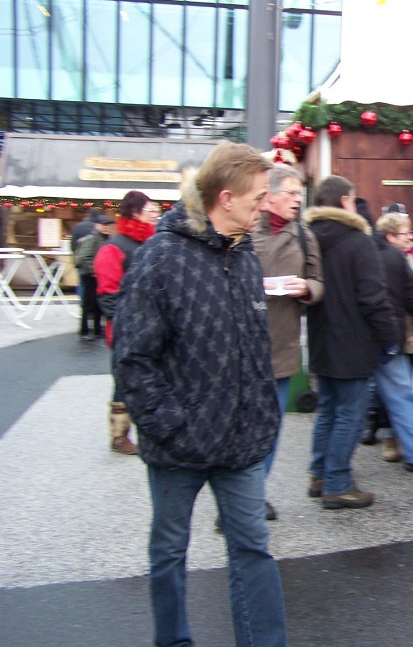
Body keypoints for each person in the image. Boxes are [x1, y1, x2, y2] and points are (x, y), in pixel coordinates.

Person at [112, 141, 287, 647]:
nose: (265, 205)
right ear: (226, 198)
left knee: (252, 548)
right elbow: (132, 357)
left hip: (242, 444)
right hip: (178, 448)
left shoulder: (246, 255)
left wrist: (261, 417)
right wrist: (171, 425)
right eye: (257, 198)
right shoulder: (159, 259)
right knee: (169, 551)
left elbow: (252, 347)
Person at [304, 175, 398, 509]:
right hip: (353, 343)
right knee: (349, 415)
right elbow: (373, 297)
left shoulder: (308, 237)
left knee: (328, 410)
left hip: (319, 340)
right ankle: (338, 483)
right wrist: (390, 338)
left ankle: (319, 474)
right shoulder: (359, 242)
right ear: (345, 201)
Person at [252, 163, 324, 520]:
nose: (297, 200)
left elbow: (317, 280)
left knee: (270, 429)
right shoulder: (246, 230)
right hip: (244, 346)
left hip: (281, 345)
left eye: (300, 193)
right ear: (269, 196)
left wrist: (307, 288)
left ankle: (253, 495)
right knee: (243, 428)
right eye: (291, 193)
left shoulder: (304, 235)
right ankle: (238, 499)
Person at [95, 190, 159, 454]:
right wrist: (128, 324)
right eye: (151, 212)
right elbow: (108, 296)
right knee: (124, 381)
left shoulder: (155, 243)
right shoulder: (114, 247)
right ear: (135, 213)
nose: (156, 216)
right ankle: (119, 435)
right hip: (126, 330)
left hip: (154, 326)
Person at [372, 211, 413, 473]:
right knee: (401, 395)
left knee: (349, 403)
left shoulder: (366, 254)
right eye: (405, 233)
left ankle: (326, 468)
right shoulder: (398, 258)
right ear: (390, 236)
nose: (411, 237)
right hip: (390, 336)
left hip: (361, 336)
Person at [72, 213, 114, 341]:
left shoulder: (104, 238)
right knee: (88, 304)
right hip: (90, 276)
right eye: (104, 225)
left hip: (96, 275)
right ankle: (84, 330)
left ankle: (96, 330)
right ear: (97, 225)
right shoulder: (93, 239)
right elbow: (85, 257)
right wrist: (95, 271)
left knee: (96, 304)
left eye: (108, 225)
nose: (107, 227)